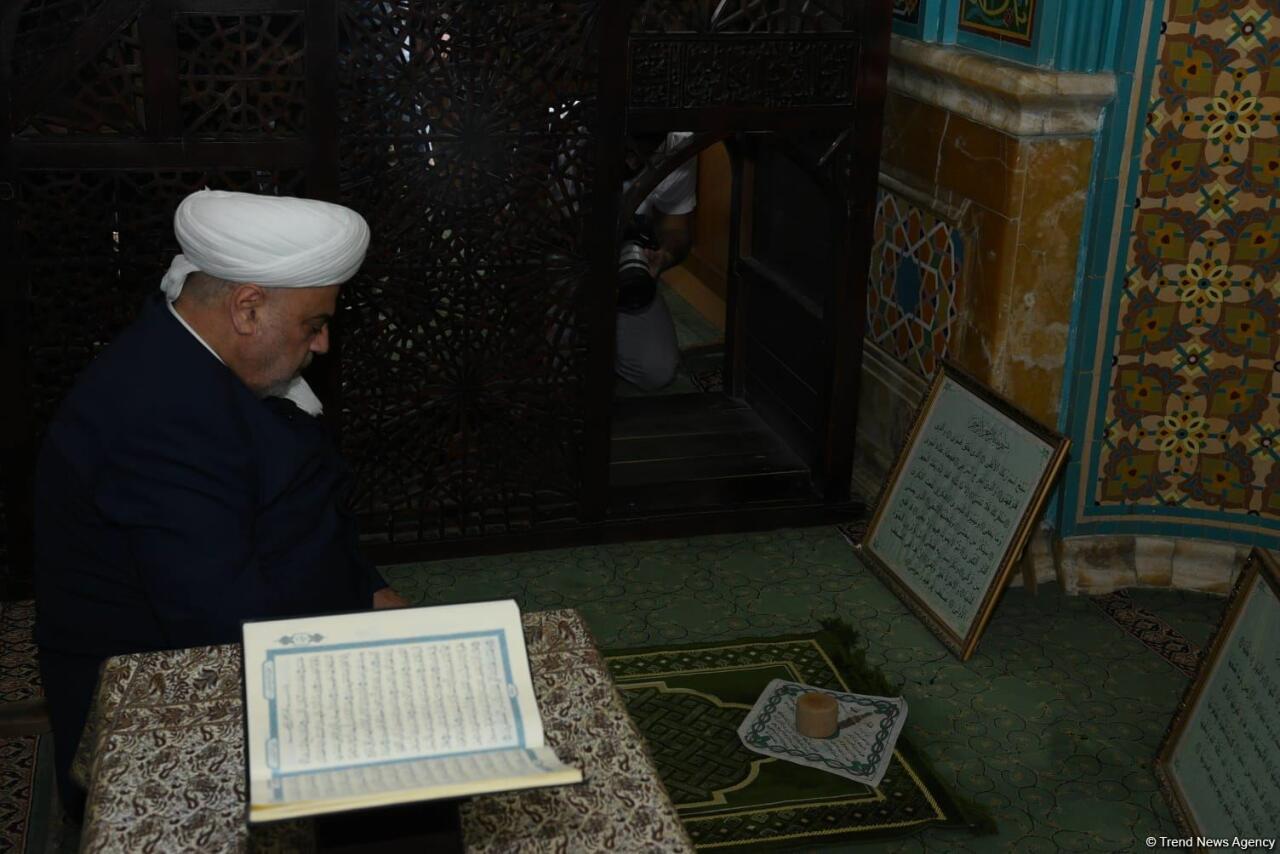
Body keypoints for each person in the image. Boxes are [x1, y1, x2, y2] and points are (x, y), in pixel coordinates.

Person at [33, 189, 408, 819]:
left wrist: (370, 592)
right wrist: (369, 684)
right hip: (163, 704)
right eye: (313, 324)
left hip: (241, 639)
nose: (321, 344)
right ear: (247, 308)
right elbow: (227, 631)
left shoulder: (196, 353)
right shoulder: (160, 421)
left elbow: (300, 513)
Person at [615, 131, 697, 391]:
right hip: (560, 260)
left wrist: (664, 256)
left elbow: (676, 229)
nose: (631, 162)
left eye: (643, 150)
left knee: (655, 369)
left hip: (622, 266)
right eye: (628, 149)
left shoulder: (678, 144)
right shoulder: (567, 137)